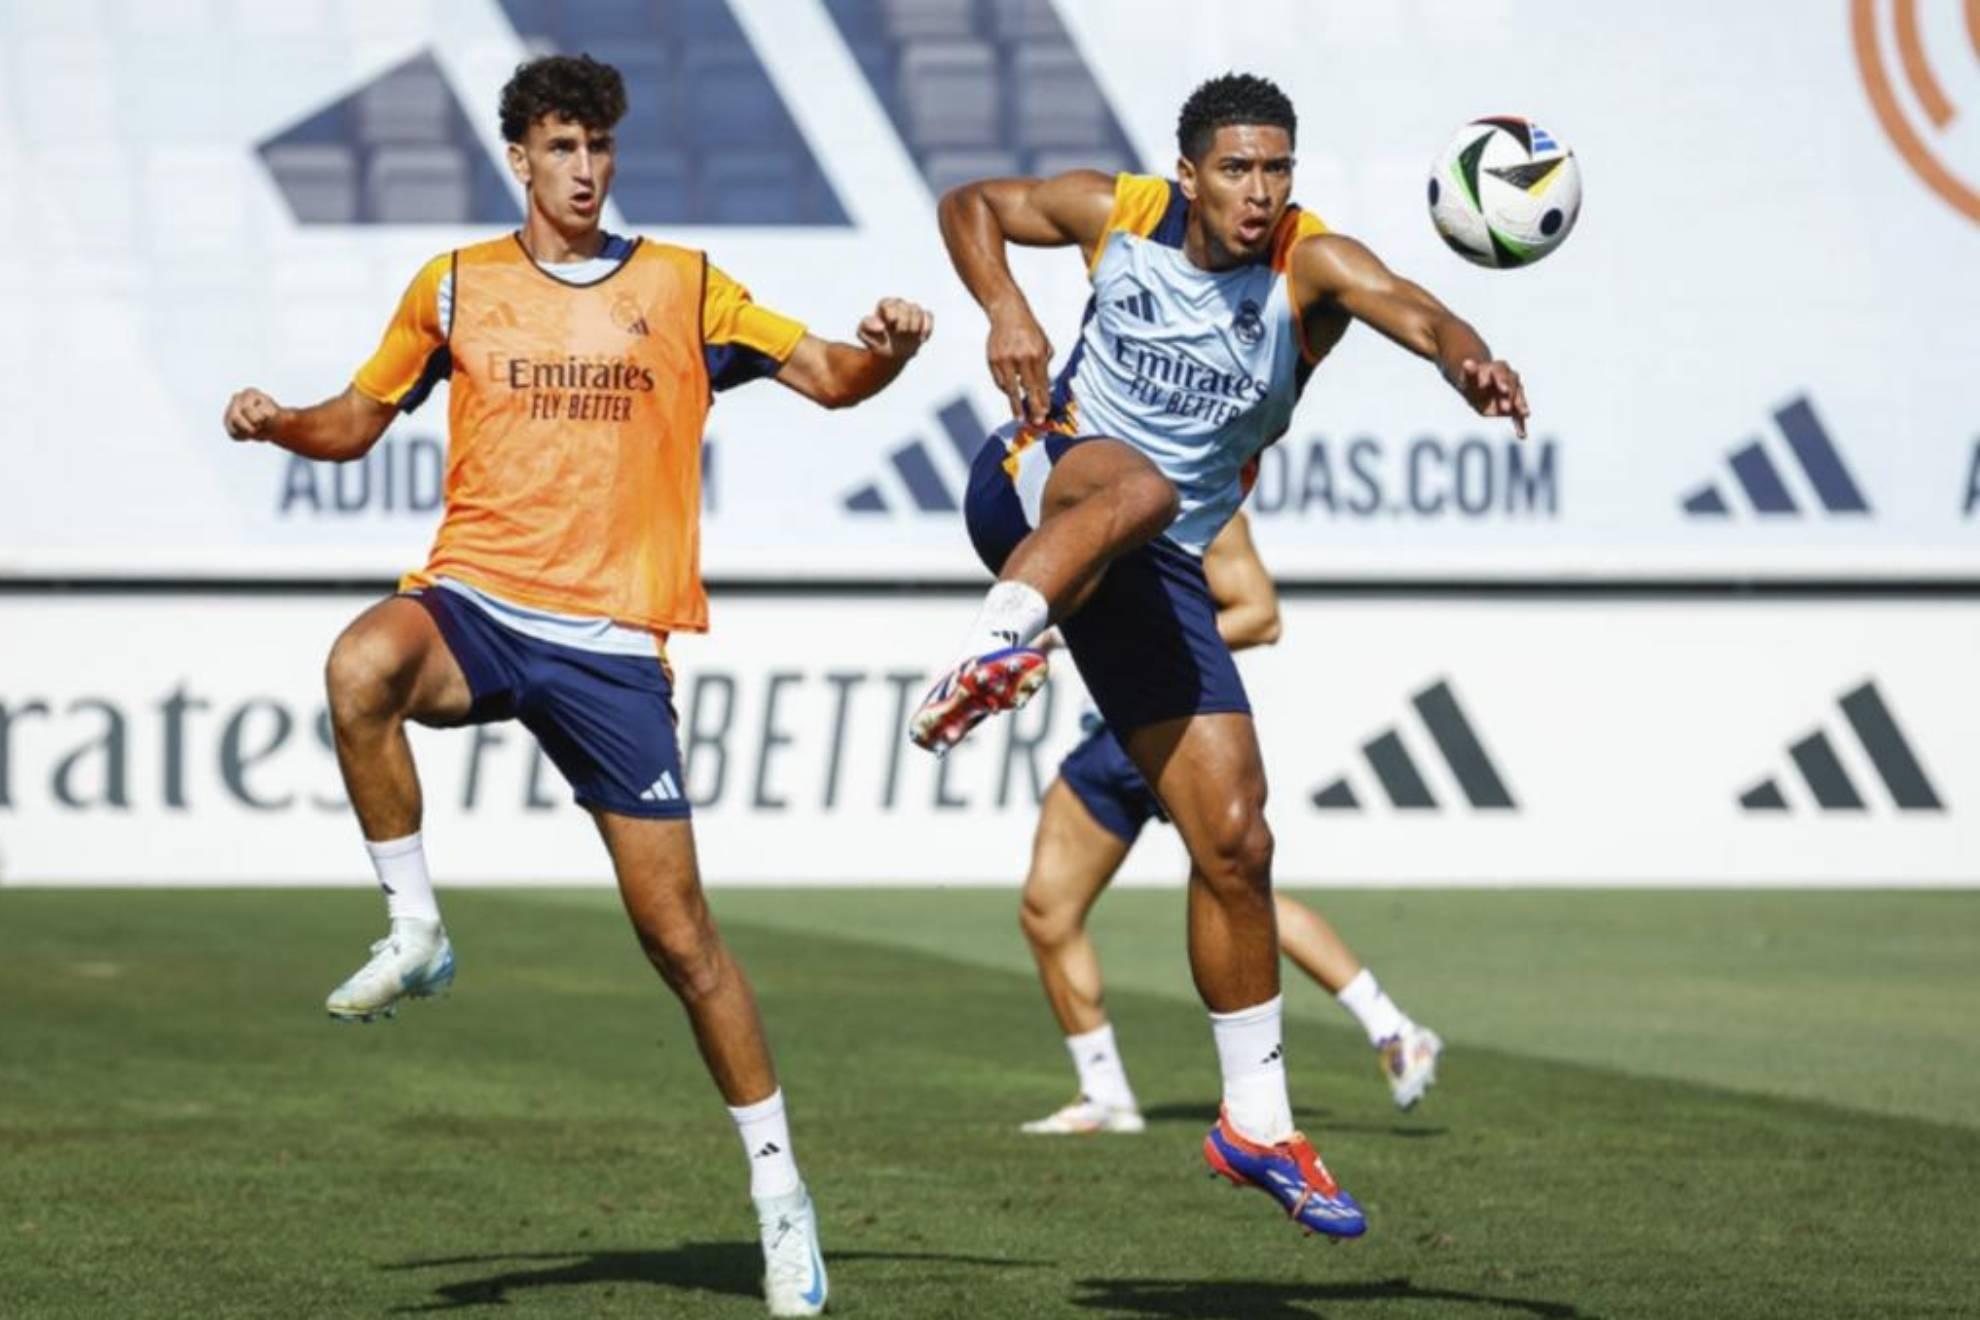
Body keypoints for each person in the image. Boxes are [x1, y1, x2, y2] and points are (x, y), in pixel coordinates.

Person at [222, 54, 932, 1318]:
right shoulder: (454, 287)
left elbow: (830, 377)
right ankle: (418, 931)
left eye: (599, 147)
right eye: (560, 148)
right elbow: (355, 417)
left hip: (610, 645)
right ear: (521, 159)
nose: (586, 170)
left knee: (682, 943)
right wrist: (279, 421)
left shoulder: (687, 286)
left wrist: (887, 350)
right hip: (479, 605)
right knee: (361, 665)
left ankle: (783, 1208)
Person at [913, 73, 1527, 1238]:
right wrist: (1004, 307)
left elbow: (1421, 311)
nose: (1260, 192)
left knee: (1237, 838)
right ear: (1189, 173)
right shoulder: (1121, 211)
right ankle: (991, 644)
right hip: (1037, 488)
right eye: (1238, 170)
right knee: (1134, 480)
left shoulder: (1311, 266)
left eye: (1278, 169)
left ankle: (1258, 1122)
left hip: (1154, 564)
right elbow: (969, 205)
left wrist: (1470, 364)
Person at [1015, 514, 1441, 1137]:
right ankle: (1104, 1092)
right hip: (1108, 733)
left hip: (1174, 720)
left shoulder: (1196, 497)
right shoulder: (1089, 487)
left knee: (1238, 893)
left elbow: (1260, 615)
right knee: (1047, 911)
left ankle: (1394, 1030)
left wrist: (1137, 647)